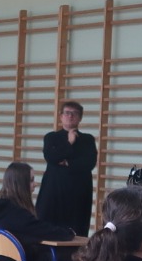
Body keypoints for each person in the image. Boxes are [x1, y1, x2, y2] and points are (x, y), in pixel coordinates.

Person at [0, 162, 73, 261]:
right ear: (21, 184)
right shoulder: (17, 214)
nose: (35, 184)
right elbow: (46, 231)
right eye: (31, 180)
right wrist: (69, 233)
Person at [35, 101, 99, 236]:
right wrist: (69, 142)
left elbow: (89, 163)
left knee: (77, 231)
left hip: (79, 192)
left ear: (80, 118)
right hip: (54, 190)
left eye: (75, 113)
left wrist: (67, 163)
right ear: (61, 116)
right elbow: (51, 157)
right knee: (47, 227)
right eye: (67, 113)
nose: (70, 116)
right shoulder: (51, 137)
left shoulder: (88, 139)